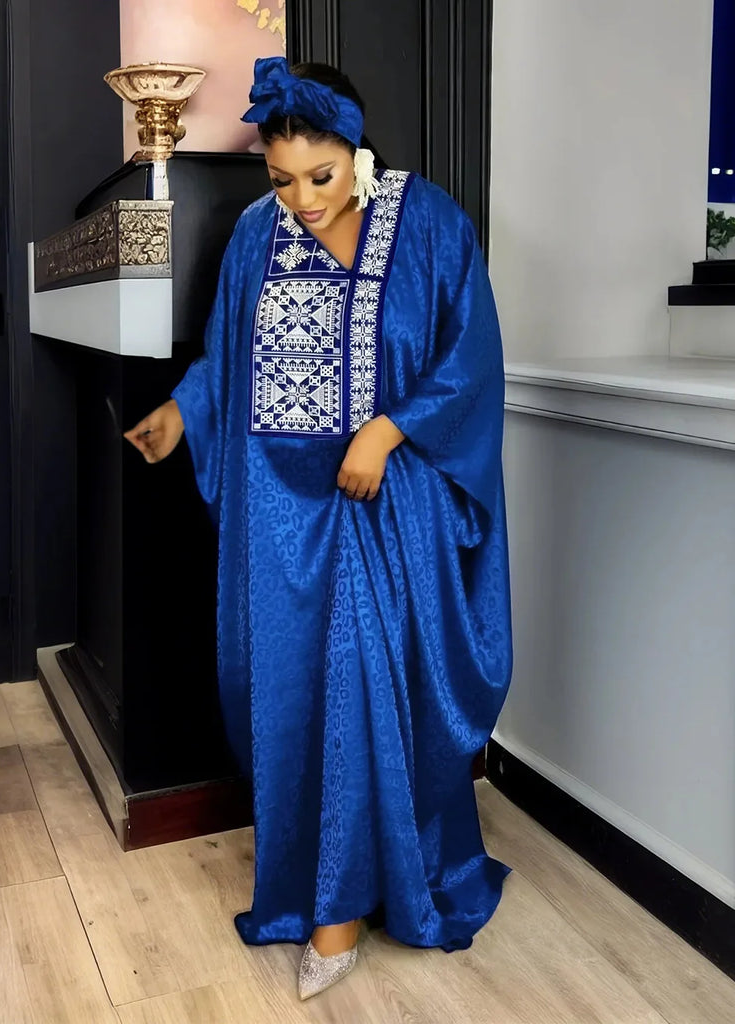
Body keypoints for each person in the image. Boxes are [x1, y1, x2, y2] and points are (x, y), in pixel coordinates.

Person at [124, 57, 513, 1001]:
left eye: (321, 175)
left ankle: (343, 913)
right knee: (296, 697)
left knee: (370, 688)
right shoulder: (255, 235)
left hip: (388, 506)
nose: (301, 199)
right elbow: (228, 357)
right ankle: (323, 884)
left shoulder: (429, 222)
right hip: (279, 516)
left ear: (358, 152)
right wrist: (180, 412)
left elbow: (471, 357)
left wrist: (387, 428)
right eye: (282, 178)